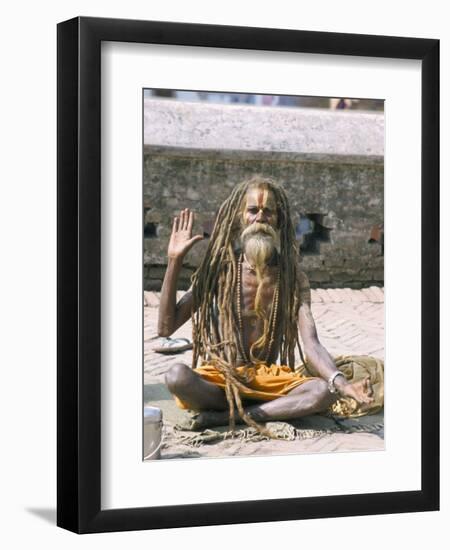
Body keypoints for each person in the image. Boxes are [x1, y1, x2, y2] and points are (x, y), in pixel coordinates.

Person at [158, 176, 382, 433]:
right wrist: (174, 261)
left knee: (324, 391)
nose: (260, 218)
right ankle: (258, 411)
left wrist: (342, 384)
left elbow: (312, 343)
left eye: (269, 212)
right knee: (177, 377)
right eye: (253, 210)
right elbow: (166, 328)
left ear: (279, 220)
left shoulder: (293, 278)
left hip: (270, 381)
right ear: (241, 217)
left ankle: (225, 418)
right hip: (222, 378)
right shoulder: (218, 271)